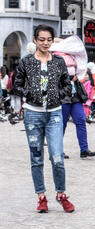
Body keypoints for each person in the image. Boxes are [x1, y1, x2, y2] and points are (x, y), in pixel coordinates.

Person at [14, 24, 75, 213]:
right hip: (33, 113)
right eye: (42, 39)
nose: (45, 43)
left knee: (57, 157)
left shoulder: (58, 62)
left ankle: (61, 194)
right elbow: (16, 84)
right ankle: (41, 197)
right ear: (35, 40)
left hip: (54, 113)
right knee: (36, 157)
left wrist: (58, 95)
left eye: (49, 40)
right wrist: (29, 93)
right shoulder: (26, 61)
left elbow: (67, 85)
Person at [62, 74, 95, 159]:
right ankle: (58, 151)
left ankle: (84, 150)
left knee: (81, 121)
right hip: (63, 97)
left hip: (76, 97)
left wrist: (77, 77)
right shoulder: (58, 61)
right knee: (61, 125)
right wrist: (69, 77)